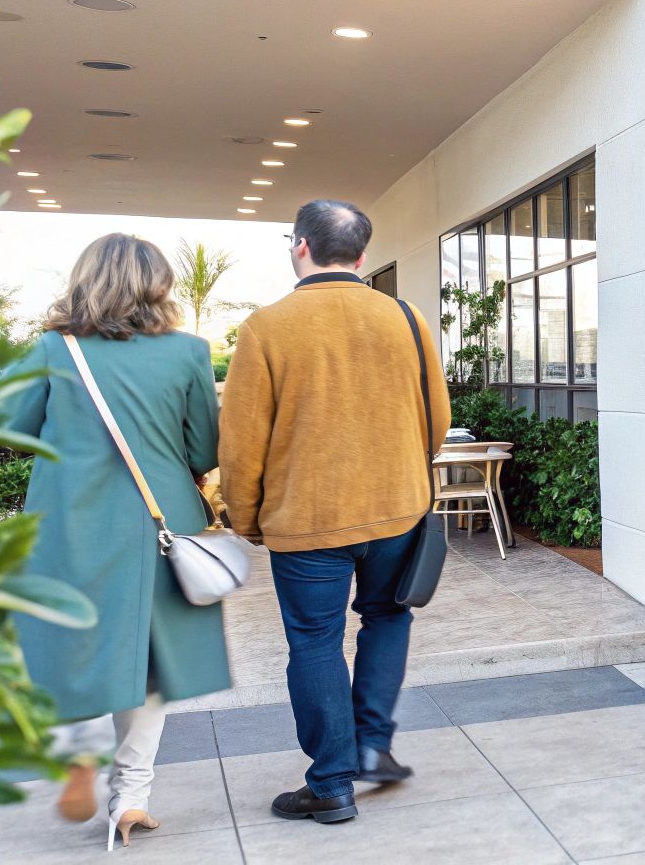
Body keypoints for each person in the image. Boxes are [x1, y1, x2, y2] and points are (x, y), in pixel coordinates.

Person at [220, 200, 449, 825]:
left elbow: (241, 444)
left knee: (315, 643)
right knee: (387, 618)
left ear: (300, 247)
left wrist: (246, 518)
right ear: (362, 256)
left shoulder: (267, 326)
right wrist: (403, 471)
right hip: (398, 511)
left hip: (307, 521)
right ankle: (371, 745)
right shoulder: (404, 316)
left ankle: (331, 783)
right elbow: (438, 419)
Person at [2, 234, 229, 849]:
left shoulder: (54, 347)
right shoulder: (187, 352)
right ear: (158, 285)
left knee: (73, 645)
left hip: (69, 522)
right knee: (151, 663)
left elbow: (12, 432)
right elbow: (205, 450)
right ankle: (130, 797)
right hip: (159, 529)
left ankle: (79, 747)